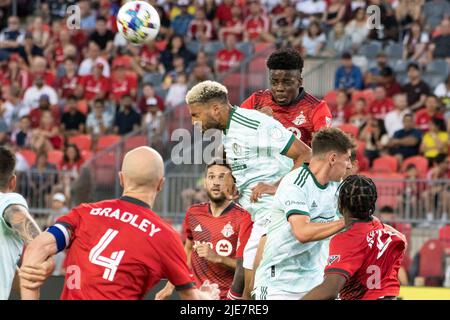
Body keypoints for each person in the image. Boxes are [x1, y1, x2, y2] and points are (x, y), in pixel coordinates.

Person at [18, 146, 220, 300]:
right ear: (161, 184)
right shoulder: (165, 235)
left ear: (121, 179)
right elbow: (190, 296)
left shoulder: (84, 213)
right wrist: (208, 296)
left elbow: (37, 248)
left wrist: (31, 288)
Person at [186, 80, 312, 299]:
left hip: (274, 216)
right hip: (254, 216)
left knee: (252, 292)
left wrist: (276, 187)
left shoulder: (254, 124)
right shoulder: (228, 130)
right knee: (247, 292)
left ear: (215, 109)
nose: (193, 122)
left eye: (196, 115)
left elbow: (306, 155)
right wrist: (235, 182)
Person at [253, 127, 353, 300]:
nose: (350, 165)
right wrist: (346, 221)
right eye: (348, 159)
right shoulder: (295, 183)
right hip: (279, 284)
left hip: (315, 282)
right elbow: (302, 232)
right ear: (333, 158)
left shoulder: (337, 187)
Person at [156, 161, 252, 300]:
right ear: (205, 183)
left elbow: (248, 267)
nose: (216, 182)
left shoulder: (244, 217)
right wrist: (170, 286)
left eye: (222, 177)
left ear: (232, 183)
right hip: (198, 296)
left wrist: (219, 258)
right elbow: (188, 250)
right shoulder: (193, 213)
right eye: (211, 177)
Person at [303, 175, 407, 300]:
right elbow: (401, 240)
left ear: (340, 204)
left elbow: (330, 290)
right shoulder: (393, 235)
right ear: (372, 204)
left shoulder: (346, 239)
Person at [241, 48, 332, 147]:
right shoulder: (256, 100)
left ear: (299, 82)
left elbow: (324, 150)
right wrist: (255, 119)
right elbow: (233, 134)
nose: (279, 88)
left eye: (287, 82)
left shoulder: (316, 108)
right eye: (274, 82)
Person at [0, 146, 50, 300]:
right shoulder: (7, 200)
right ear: (13, 181)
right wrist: (47, 253)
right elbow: (17, 214)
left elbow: (7, 265)